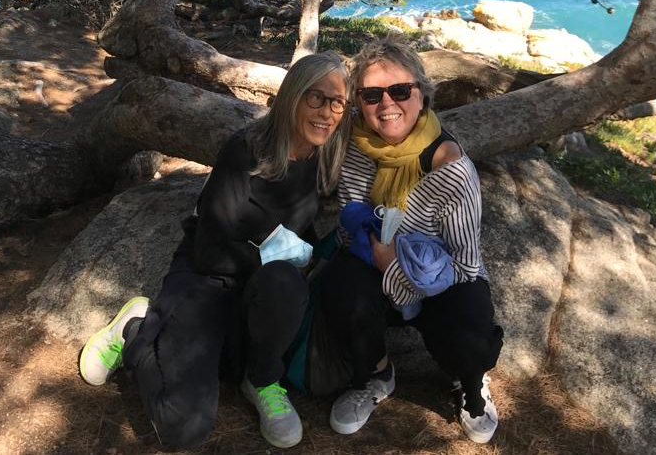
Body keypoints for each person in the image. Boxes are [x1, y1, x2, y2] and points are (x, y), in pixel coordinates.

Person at [77, 52, 351, 451]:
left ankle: (261, 380)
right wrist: (276, 255)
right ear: (293, 96)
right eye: (316, 98)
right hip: (206, 278)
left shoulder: (323, 157)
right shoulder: (246, 149)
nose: (327, 112)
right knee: (183, 429)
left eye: (338, 102)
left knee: (285, 283)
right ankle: (136, 329)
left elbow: (298, 225)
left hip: (258, 292)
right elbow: (209, 248)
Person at [317, 36, 504, 444]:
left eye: (400, 91)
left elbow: (467, 265)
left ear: (422, 95)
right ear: (359, 103)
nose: (387, 105)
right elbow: (351, 224)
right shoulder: (357, 147)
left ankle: (470, 386)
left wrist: (396, 269)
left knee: (470, 330)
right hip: (375, 259)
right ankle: (377, 373)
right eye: (371, 95)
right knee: (339, 288)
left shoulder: (451, 169)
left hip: (441, 276)